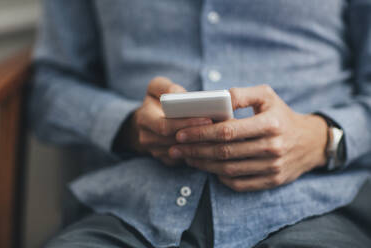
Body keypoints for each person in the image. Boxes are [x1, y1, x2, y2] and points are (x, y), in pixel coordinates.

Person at [30, 0, 371, 247]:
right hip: (131, 208)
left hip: (316, 203)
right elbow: (49, 90)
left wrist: (322, 139)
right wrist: (129, 127)